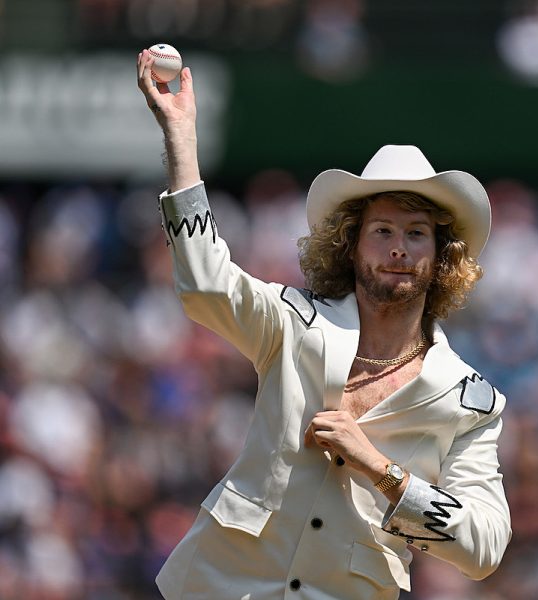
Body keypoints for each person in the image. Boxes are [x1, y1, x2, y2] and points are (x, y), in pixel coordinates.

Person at [136, 49, 511, 600]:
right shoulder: (294, 324)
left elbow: (483, 548)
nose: (398, 249)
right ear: (351, 245)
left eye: (416, 233)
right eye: (381, 230)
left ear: (442, 256)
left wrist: (384, 472)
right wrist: (182, 140)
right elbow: (206, 286)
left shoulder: (469, 402)